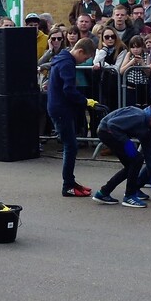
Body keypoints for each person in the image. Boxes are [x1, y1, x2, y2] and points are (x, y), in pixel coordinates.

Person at [90, 103, 151, 207]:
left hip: (114, 133)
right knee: (136, 160)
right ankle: (129, 196)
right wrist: (127, 143)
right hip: (106, 132)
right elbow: (112, 124)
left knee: (131, 165)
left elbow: (149, 152)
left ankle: (103, 192)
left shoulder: (149, 129)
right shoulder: (138, 117)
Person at [47, 37, 96, 197]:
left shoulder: (63, 58)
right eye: (85, 58)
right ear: (80, 51)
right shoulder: (67, 63)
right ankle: (68, 184)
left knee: (71, 145)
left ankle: (70, 181)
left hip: (58, 107)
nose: (84, 61)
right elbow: (68, 89)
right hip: (61, 109)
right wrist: (85, 101)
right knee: (71, 146)